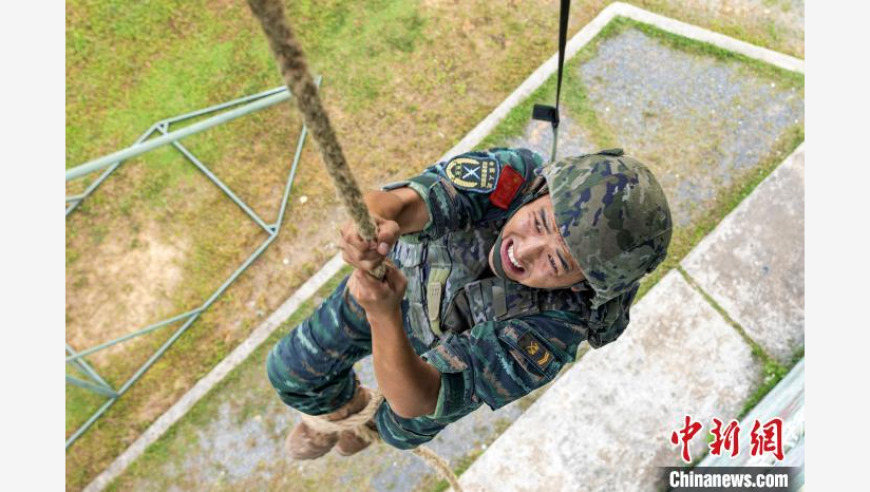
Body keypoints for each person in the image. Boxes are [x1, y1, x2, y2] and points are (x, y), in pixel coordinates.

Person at [266, 147, 673, 459]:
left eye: (556, 261)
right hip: (406, 289)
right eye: (539, 222)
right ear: (542, 193)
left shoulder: (555, 330)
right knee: (289, 370)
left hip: (425, 363)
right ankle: (340, 414)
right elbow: (404, 203)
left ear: (582, 286)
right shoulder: (512, 179)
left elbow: (418, 399)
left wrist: (382, 314)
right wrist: (373, 223)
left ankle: (363, 427)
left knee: (395, 428)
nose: (524, 250)